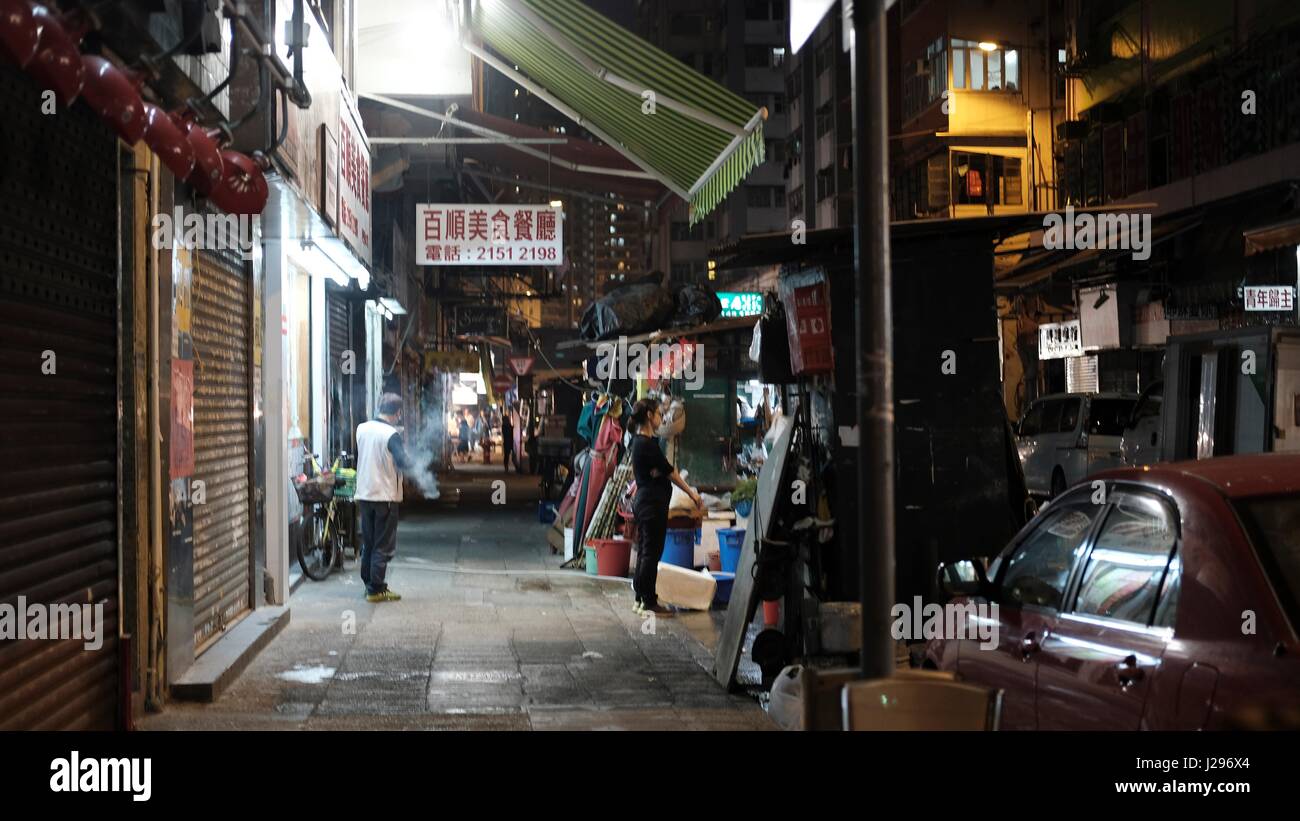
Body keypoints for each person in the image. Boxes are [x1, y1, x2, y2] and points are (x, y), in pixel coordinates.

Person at [628, 397, 701, 617]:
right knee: (651, 552)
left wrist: (660, 472)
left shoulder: (640, 443)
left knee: (645, 551)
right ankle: (648, 601)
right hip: (651, 504)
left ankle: (641, 599)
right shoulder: (647, 444)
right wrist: (692, 494)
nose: (662, 418)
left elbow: (662, 470)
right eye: (659, 413)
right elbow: (670, 472)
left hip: (647, 502)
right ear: (649, 416)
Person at [355, 393, 410, 603]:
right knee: (382, 544)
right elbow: (403, 462)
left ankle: (368, 583)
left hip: (364, 494)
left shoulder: (362, 429)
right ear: (397, 413)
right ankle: (376, 589)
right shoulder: (391, 434)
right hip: (385, 496)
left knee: (368, 542)